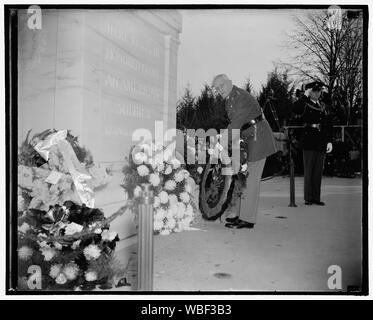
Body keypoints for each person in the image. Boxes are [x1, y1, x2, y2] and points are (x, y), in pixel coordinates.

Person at [211, 74, 277, 229]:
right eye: (216, 88)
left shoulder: (241, 98)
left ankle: (247, 219)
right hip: (250, 138)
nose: (219, 90)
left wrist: (219, 145)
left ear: (229, 83)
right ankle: (241, 215)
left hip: (258, 138)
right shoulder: (230, 99)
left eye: (221, 86)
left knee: (250, 180)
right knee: (243, 177)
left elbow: (235, 125)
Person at [292, 81, 333, 205]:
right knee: (309, 170)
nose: (318, 93)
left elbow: (328, 124)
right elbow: (295, 109)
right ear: (310, 92)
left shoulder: (323, 106)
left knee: (318, 171)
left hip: (321, 140)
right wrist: (304, 96)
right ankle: (309, 198)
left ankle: (316, 197)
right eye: (315, 91)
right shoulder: (305, 104)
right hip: (309, 140)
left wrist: (329, 141)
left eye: (319, 91)